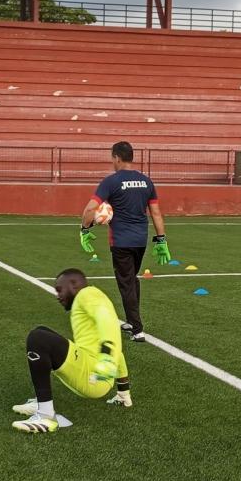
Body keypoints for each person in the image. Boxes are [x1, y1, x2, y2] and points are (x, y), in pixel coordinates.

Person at [10, 268, 132, 433]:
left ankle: (46, 416)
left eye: (60, 289)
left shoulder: (87, 295)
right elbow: (119, 349)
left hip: (93, 375)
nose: (58, 296)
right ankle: (41, 402)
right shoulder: (92, 298)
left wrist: (107, 357)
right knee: (42, 330)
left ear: (74, 285)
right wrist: (123, 392)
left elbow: (107, 319)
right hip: (97, 375)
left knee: (37, 339)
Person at [79, 141, 168, 343]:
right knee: (132, 278)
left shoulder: (111, 182)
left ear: (117, 157)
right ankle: (131, 320)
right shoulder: (146, 181)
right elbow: (155, 212)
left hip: (120, 241)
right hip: (140, 240)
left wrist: (85, 229)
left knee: (126, 282)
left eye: (112, 158)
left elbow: (90, 209)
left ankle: (137, 330)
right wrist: (161, 239)